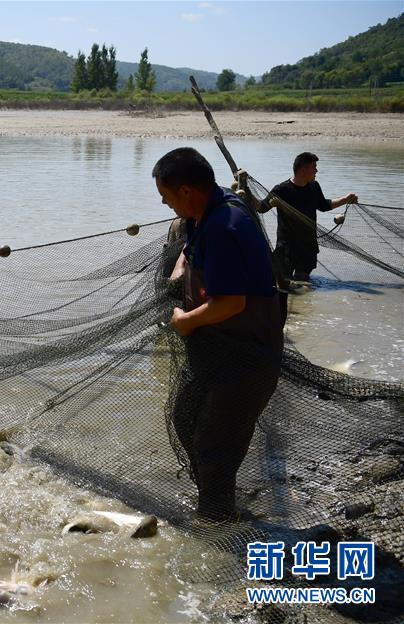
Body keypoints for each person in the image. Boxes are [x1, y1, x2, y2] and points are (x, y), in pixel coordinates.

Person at [154, 147, 284, 523]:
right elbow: (188, 249)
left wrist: (186, 321)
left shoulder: (227, 225)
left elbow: (231, 304)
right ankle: (213, 497)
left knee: (215, 443)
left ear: (187, 192)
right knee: (185, 415)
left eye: (166, 197)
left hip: (247, 356)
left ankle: (217, 526)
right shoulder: (205, 210)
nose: (165, 204)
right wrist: (180, 270)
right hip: (216, 348)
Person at [265, 152, 358, 281]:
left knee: (303, 281)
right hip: (287, 247)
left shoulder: (314, 187)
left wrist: (345, 199)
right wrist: (245, 188)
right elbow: (261, 207)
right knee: (284, 283)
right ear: (303, 169)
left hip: (308, 246)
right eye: (314, 167)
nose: (316, 170)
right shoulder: (282, 190)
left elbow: (323, 205)